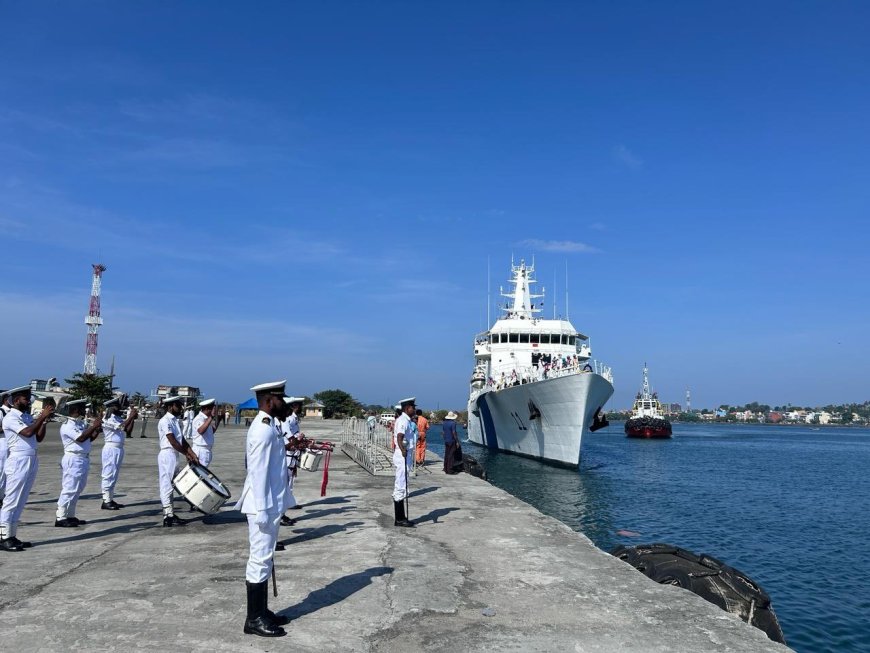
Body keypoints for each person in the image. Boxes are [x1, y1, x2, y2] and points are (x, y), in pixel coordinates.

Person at [236, 380, 291, 637]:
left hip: (270, 503)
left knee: (266, 557)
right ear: (270, 400)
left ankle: (262, 610)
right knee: (259, 558)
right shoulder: (262, 430)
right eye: (281, 398)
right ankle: (254, 618)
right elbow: (256, 471)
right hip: (262, 505)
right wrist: (260, 510)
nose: (285, 403)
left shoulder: (271, 427)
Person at [0, 386, 54, 551]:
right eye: (26, 398)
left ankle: (12, 534)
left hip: (31, 459)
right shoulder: (10, 418)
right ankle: (3, 536)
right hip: (18, 460)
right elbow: (28, 433)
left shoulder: (27, 416)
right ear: (16, 400)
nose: (29, 401)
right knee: (12, 499)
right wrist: (41, 417)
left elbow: (38, 437)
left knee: (21, 499)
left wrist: (43, 421)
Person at [55, 399, 103, 527]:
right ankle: (60, 516)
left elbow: (88, 438)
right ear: (75, 410)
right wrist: (93, 426)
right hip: (73, 458)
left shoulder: (79, 423)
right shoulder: (68, 425)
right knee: (69, 487)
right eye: (82, 408)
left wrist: (96, 429)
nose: (85, 410)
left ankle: (70, 515)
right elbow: (80, 438)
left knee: (78, 488)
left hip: (83, 458)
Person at [157, 396, 199, 527]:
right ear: (170, 406)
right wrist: (186, 453)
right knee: (167, 486)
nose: (181, 407)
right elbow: (172, 441)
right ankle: (167, 515)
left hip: (174, 454)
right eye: (178, 405)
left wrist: (191, 453)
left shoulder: (176, 421)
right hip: (167, 454)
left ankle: (170, 514)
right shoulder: (165, 421)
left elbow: (182, 441)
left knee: (174, 484)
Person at [99, 397, 137, 510]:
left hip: (118, 448)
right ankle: (105, 500)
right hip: (110, 448)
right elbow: (121, 426)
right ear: (112, 407)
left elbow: (127, 429)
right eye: (117, 406)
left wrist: (133, 419)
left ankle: (110, 498)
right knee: (108, 473)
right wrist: (130, 417)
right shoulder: (108, 418)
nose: (120, 408)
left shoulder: (117, 417)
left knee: (114, 474)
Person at [280, 396, 307, 525]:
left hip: (291, 453)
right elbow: (290, 437)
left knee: (290, 481)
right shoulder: (286, 419)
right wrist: (298, 442)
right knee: (285, 484)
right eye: (299, 405)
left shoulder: (292, 418)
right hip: (287, 454)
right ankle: (281, 514)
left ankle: (285, 509)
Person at [392, 397, 416, 527]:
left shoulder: (406, 420)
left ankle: (402, 517)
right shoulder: (403, 421)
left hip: (405, 454)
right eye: (413, 407)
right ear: (407, 408)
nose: (415, 409)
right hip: (403, 455)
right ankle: (399, 519)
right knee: (400, 484)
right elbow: (400, 436)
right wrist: (402, 450)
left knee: (403, 483)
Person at [190, 398, 218, 467]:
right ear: (206, 408)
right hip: (200, 450)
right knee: (199, 474)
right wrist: (211, 417)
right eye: (212, 409)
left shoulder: (206, 418)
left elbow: (211, 431)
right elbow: (201, 431)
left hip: (206, 450)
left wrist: (218, 419)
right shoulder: (199, 418)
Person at [0, 390, 12, 506]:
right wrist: (9, 427)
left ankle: (4, 496)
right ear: (5, 400)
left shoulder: (13, 412)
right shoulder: (1, 411)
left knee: (8, 471)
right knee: (1, 471)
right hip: (3, 442)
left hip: (11, 444)